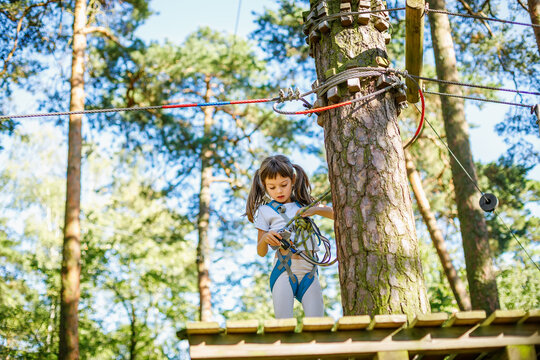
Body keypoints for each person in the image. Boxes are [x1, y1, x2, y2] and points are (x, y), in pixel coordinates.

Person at [246, 155, 334, 319]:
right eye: (271, 187)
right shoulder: (265, 211)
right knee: (283, 323)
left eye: (283, 185)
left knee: (317, 322)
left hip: (309, 271)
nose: (278, 191)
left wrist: (314, 210)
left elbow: (336, 215)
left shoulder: (305, 203)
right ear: (264, 186)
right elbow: (260, 251)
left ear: (293, 180)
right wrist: (265, 238)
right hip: (283, 269)